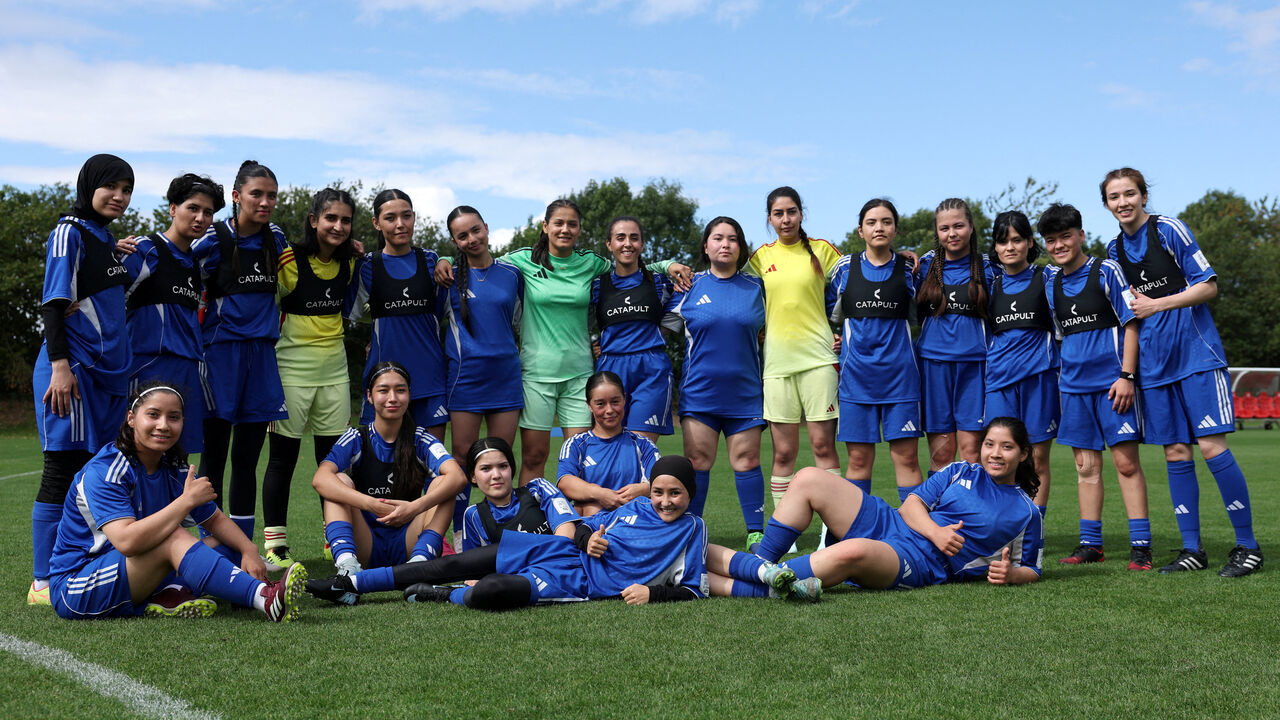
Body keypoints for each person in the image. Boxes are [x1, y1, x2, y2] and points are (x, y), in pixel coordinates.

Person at [434, 199, 690, 484]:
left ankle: (582, 525)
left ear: (580, 229)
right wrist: (443, 260)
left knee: (582, 459)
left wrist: (668, 264)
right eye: (558, 223)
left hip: (579, 376)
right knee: (534, 456)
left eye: (572, 224)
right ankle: (532, 523)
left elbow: (629, 265)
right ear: (545, 227)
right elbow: (477, 259)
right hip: (535, 375)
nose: (564, 229)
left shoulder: (591, 264)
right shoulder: (520, 261)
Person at [1102, 168, 1262, 576]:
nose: (1123, 202)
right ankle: (1192, 549)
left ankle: (1248, 546)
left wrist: (1157, 303)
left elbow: (1208, 286)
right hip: (1155, 366)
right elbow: (1126, 319)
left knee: (1212, 447)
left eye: (1129, 194)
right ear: (1106, 204)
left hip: (1196, 355)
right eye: (1114, 196)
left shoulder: (1170, 229)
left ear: (1143, 195)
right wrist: (1130, 372)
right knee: (1175, 452)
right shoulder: (1113, 251)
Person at [307, 455, 708, 609]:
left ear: (691, 494)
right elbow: (585, 528)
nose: (665, 502)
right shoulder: (638, 504)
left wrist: (652, 592)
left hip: (578, 581)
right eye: (659, 492)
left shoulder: (692, 530)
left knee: (493, 590)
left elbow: (692, 589)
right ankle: (352, 583)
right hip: (554, 550)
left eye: (676, 494)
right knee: (448, 563)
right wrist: (590, 539)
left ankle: (448, 596)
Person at [47, 382, 306, 621]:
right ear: (131, 419)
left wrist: (249, 549)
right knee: (174, 537)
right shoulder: (106, 470)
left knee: (226, 543)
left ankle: (170, 593)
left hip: (132, 572)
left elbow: (214, 519)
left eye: (174, 417)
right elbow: (127, 542)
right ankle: (265, 598)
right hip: (77, 585)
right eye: (153, 415)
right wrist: (185, 502)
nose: (163, 425)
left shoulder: (173, 468)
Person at [714, 417, 1043, 592]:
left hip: (923, 561)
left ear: (1024, 454)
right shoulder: (960, 470)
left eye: (1007, 447)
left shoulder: (1026, 511)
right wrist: (937, 532)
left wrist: (1012, 575)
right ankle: (760, 564)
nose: (995, 454)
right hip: (893, 523)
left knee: (852, 550)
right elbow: (911, 505)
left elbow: (1033, 567)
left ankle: (743, 583)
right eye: (989, 444)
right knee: (809, 478)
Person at [30, 154, 135, 606]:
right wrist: (60, 367)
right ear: (88, 185)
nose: (119, 196)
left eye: (127, 189)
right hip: (71, 373)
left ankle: (81, 565)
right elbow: (54, 303)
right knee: (61, 468)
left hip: (105, 376)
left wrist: (115, 253)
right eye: (110, 186)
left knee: (95, 472)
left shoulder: (101, 237)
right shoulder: (68, 231)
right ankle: (41, 581)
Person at [1040, 203, 1152, 569]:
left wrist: (1127, 376)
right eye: (1052, 240)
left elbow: (1132, 323)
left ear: (1081, 235)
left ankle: (1141, 545)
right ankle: (1091, 545)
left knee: (1125, 463)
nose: (1059, 245)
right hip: (1072, 388)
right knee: (1085, 467)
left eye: (1066, 237)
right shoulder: (1051, 281)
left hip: (1112, 385)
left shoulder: (1106, 270)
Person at [190, 159, 289, 552]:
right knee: (214, 458)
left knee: (247, 459)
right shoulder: (213, 238)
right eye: (256, 194)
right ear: (236, 197)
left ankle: (242, 549)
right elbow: (176, 262)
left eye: (271, 196)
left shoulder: (276, 237)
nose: (265, 202)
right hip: (220, 357)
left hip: (262, 357)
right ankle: (210, 546)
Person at [260, 188, 361, 568]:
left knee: (333, 464)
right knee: (282, 461)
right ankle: (276, 546)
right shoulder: (289, 260)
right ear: (314, 220)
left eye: (345, 220)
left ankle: (333, 540)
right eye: (330, 218)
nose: (338, 226)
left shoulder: (350, 262)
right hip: (290, 373)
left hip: (335, 374)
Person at [663, 217, 767, 548]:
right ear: (705, 246)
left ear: (741, 247)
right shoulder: (688, 288)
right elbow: (658, 330)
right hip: (700, 395)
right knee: (697, 464)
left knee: (748, 461)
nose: (725, 244)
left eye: (733, 239)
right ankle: (692, 530)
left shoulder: (757, 288)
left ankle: (755, 533)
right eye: (718, 238)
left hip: (746, 393)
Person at [313, 362, 468, 576]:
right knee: (337, 480)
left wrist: (414, 508)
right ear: (369, 396)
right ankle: (347, 567)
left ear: (409, 395)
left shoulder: (421, 439)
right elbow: (320, 479)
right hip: (365, 543)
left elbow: (458, 477)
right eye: (383, 390)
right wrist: (371, 504)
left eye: (400, 390)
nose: (393, 398)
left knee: (444, 482)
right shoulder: (356, 438)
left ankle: (418, 565)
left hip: (409, 542)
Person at [747, 187, 842, 507]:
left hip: (818, 361)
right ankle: (783, 532)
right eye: (778, 214)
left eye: (791, 212)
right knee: (784, 452)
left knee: (823, 448)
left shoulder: (823, 250)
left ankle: (832, 532)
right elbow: (731, 287)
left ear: (801, 214)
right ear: (769, 219)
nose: (785, 219)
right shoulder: (760, 257)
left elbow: (862, 278)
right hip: (776, 366)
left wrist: (905, 258)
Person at [828, 199, 924, 505]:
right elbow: (828, 314)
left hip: (901, 378)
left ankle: (914, 532)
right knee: (857, 461)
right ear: (860, 230)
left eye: (886, 221)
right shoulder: (844, 268)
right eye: (871, 222)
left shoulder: (910, 268)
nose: (879, 227)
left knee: (907, 458)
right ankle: (855, 530)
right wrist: (835, 337)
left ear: (895, 229)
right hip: (856, 379)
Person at [121, 173, 223, 456]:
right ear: (173, 208)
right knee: (138, 454)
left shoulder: (194, 263)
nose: (200, 218)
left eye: (208, 212)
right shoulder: (145, 249)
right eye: (193, 208)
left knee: (178, 457)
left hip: (187, 371)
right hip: (147, 368)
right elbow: (106, 298)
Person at [441, 205, 524, 547]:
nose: (471, 239)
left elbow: (517, 321)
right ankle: (462, 535)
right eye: (462, 235)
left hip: (505, 376)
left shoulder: (511, 274)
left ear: (487, 228)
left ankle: (504, 532)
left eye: (476, 230)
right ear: (454, 241)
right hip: (466, 378)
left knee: (500, 457)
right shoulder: (445, 278)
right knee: (462, 459)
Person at [348, 189, 449, 441]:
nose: (400, 224)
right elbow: (348, 315)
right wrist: (377, 331)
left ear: (414, 217)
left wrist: (446, 257)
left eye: (406, 216)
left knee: (431, 465)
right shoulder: (367, 266)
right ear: (376, 223)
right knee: (381, 464)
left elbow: (444, 311)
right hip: (384, 380)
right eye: (390, 218)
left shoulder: (431, 260)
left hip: (430, 379)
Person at [985, 210, 1059, 516]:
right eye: (1003, 242)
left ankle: (1034, 534)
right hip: (999, 382)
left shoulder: (1048, 278)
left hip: (1039, 379)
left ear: (1030, 242)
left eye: (1017, 240)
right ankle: (1000, 529)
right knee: (997, 460)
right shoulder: (991, 285)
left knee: (1037, 460)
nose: (1010, 247)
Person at [914, 198, 992, 471]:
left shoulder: (989, 267)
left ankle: (972, 513)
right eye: (944, 228)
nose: (952, 233)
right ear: (937, 232)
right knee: (941, 455)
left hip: (976, 366)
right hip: (933, 366)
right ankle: (937, 514)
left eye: (958, 225)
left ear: (971, 227)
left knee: (972, 451)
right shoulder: (924, 265)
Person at [590, 216, 676, 441]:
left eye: (634, 238)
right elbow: (576, 318)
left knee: (640, 447)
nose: (627, 243)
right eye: (620, 238)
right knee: (610, 446)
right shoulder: (598, 285)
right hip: (610, 367)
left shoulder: (660, 282)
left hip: (651, 368)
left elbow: (684, 312)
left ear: (642, 244)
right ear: (609, 244)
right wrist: (592, 345)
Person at [555, 371, 660, 516]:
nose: (609, 410)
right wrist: (599, 494)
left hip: (633, 523)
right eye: (600, 404)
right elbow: (565, 482)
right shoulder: (576, 444)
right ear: (589, 405)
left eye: (615, 402)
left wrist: (644, 489)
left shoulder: (643, 445)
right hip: (590, 526)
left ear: (624, 399)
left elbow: (662, 481)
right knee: (590, 508)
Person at [459, 437, 580, 551]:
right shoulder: (474, 515)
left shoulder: (539, 489)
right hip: (515, 574)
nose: (496, 475)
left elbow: (567, 536)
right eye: (486, 468)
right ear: (473, 476)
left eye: (503, 466)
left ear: (511, 468)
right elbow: (474, 566)